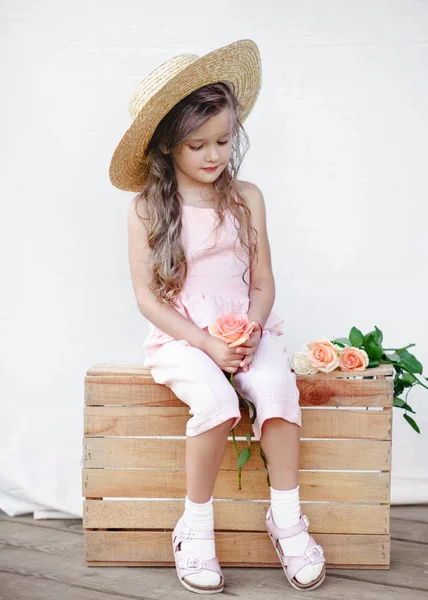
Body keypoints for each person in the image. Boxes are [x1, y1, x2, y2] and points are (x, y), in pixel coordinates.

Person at [109, 39, 326, 594]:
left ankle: (286, 516)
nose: (213, 155)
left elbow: (263, 280)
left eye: (224, 141)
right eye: (196, 145)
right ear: (166, 147)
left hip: (247, 326)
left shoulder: (246, 196)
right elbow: (148, 299)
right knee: (217, 402)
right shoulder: (145, 210)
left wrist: (250, 329)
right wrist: (206, 344)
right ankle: (196, 529)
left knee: (277, 390)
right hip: (183, 334)